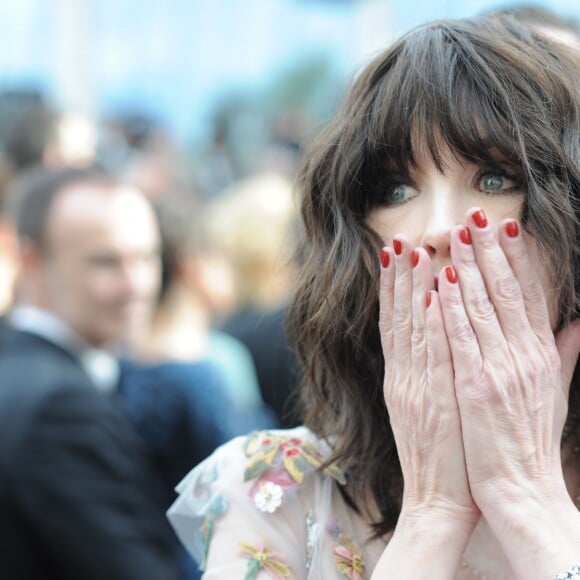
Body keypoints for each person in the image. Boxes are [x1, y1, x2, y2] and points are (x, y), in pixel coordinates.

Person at [168, 14, 580, 579]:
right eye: (395, 189)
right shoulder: (271, 491)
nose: (437, 229)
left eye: (494, 179)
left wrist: (529, 498)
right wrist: (432, 517)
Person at [0, 166, 182, 579]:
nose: (135, 283)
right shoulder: (59, 408)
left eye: (147, 257)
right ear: (31, 261)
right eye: (106, 262)